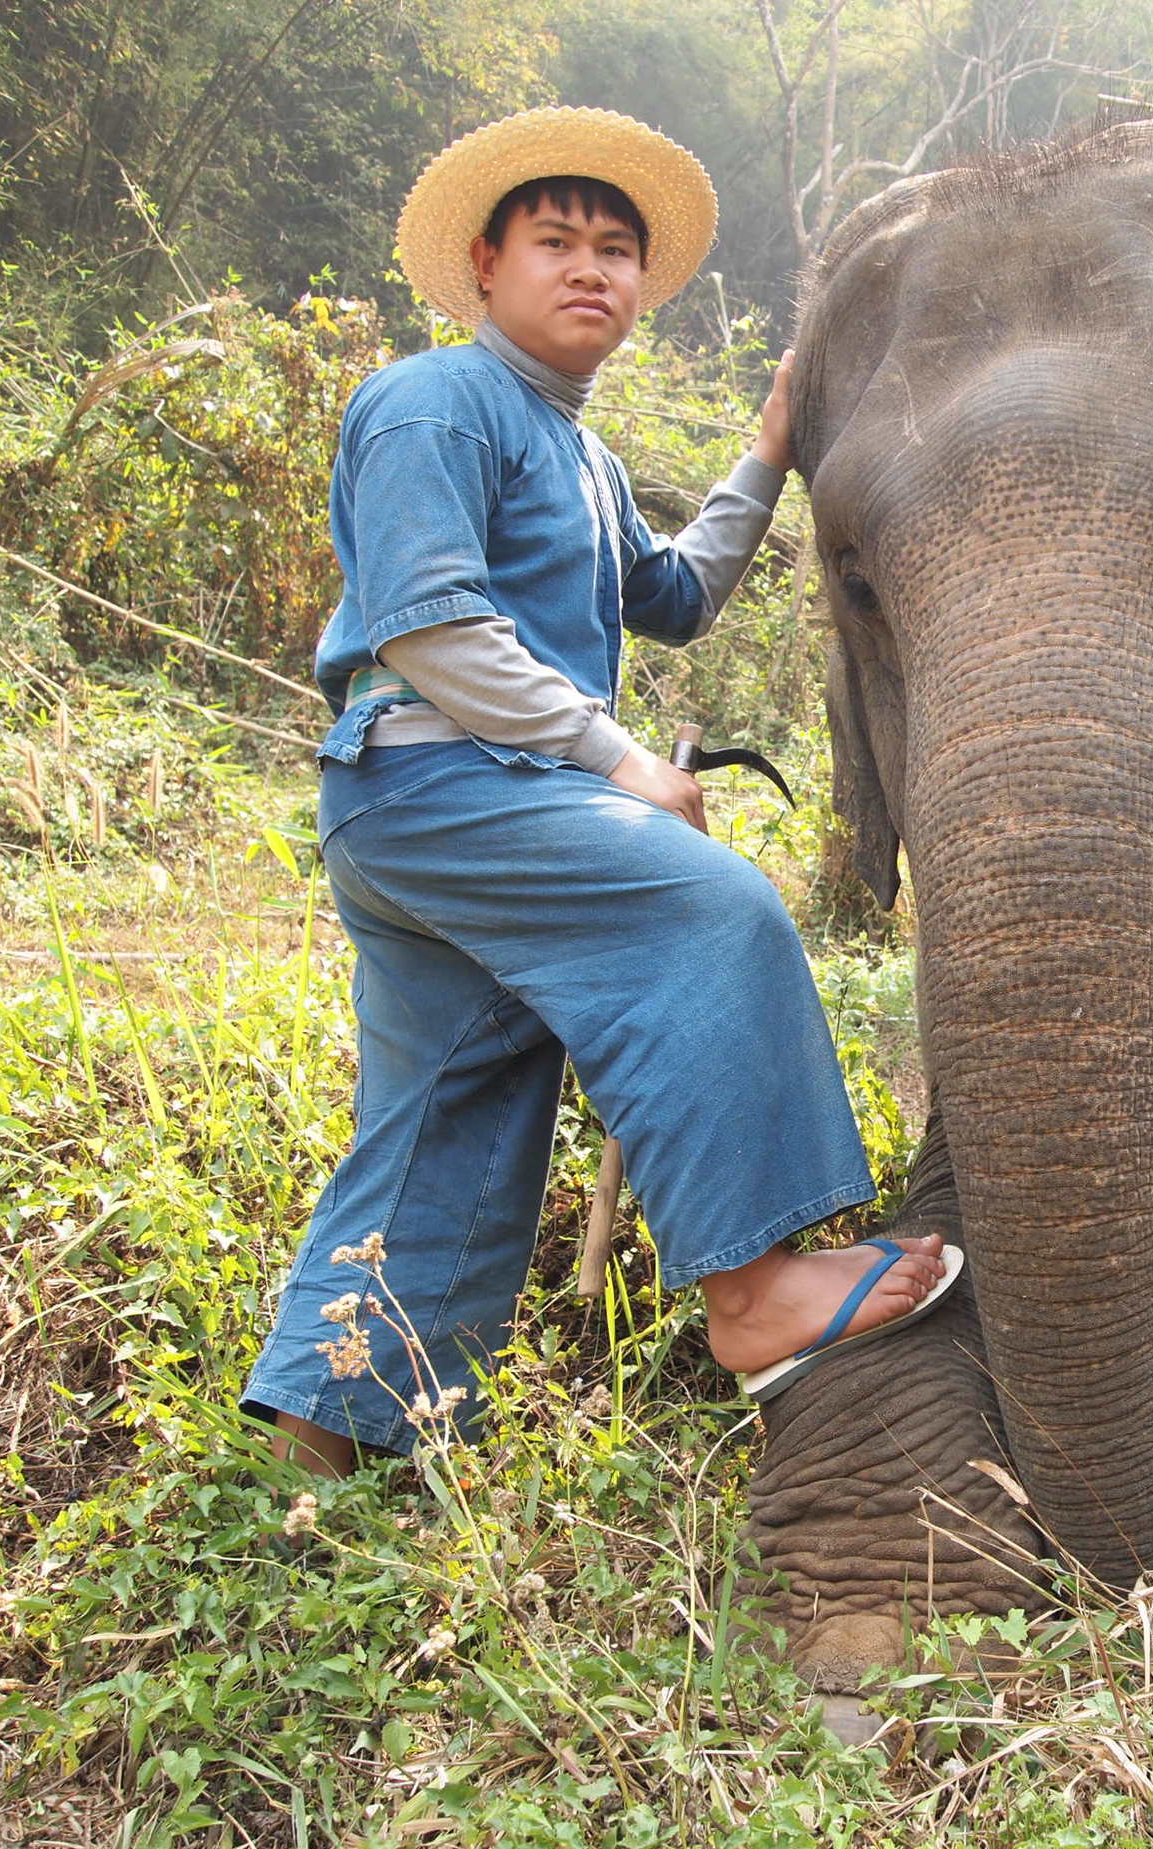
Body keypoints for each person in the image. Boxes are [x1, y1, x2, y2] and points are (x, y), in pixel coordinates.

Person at [242, 108, 959, 1478]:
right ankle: (758, 1298)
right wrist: (621, 764)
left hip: (473, 809)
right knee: (719, 919)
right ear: (485, 264)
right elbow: (432, 628)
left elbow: (673, 599)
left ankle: (314, 1446)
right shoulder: (433, 403)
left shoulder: (580, 453)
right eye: (557, 242)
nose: (592, 270)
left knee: (455, 1107)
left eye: (617, 252)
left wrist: (768, 450)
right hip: (441, 785)